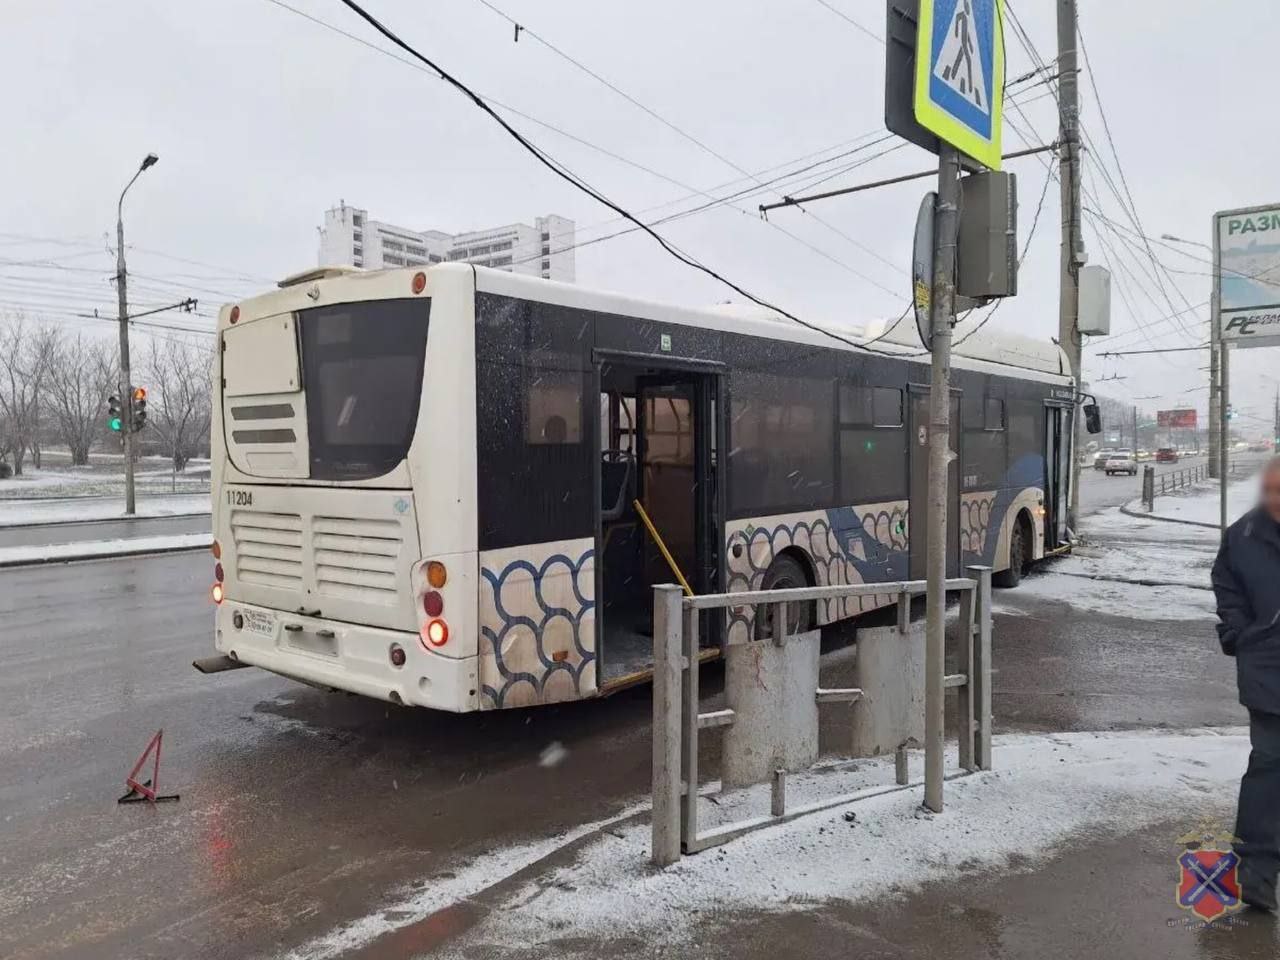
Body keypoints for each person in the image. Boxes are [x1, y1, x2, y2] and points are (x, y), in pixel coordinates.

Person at [1212, 456, 1280, 912]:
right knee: (1269, 767)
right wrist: (1240, 632)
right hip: (1268, 669)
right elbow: (1226, 585)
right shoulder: (1243, 535)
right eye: (1272, 489)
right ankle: (1255, 874)